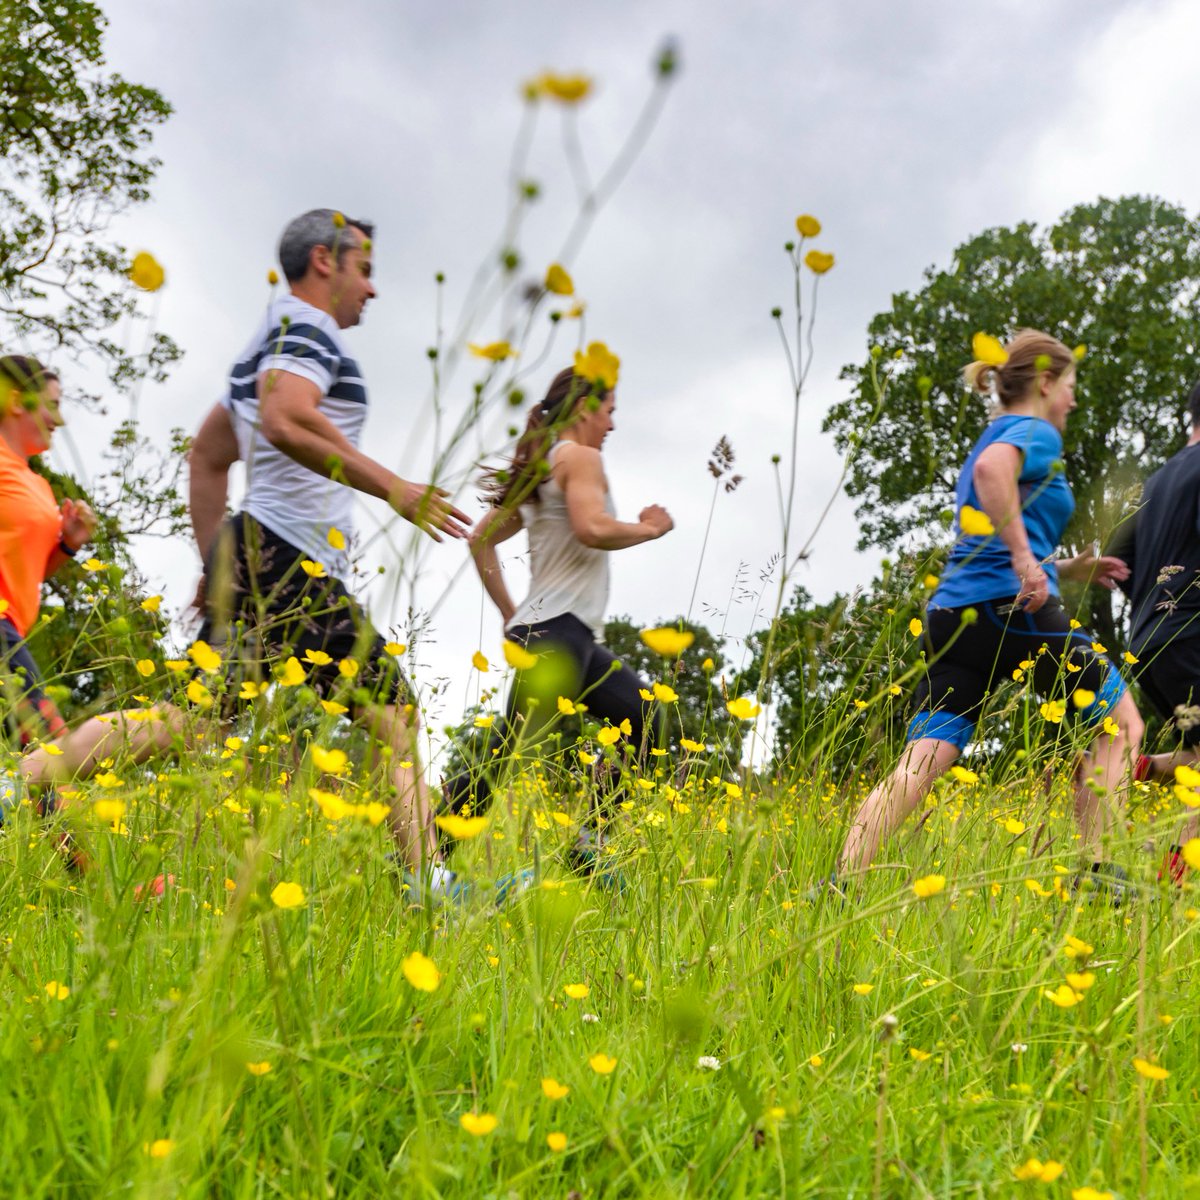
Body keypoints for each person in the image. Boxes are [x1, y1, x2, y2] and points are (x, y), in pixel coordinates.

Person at [187, 208, 470, 891]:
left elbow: (207, 456)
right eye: (364, 270)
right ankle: (430, 888)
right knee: (396, 716)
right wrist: (393, 487)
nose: (371, 289)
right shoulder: (305, 326)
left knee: (195, 724)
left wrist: (217, 563)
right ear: (325, 261)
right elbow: (285, 418)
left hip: (254, 548)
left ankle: (28, 780)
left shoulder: (265, 339)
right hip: (292, 553)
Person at [832, 330, 1144, 897]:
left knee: (923, 758)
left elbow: (994, 508)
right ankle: (1100, 874)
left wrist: (1065, 569)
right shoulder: (1033, 431)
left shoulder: (995, 433)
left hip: (957, 615)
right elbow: (992, 477)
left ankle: (841, 882)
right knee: (1120, 723)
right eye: (1070, 386)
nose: (1073, 400)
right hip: (1011, 609)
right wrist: (1028, 563)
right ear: (1046, 383)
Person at [442, 364, 674, 872]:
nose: (611, 425)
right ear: (587, 408)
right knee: (512, 747)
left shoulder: (546, 464)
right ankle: (422, 859)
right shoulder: (580, 458)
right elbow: (591, 527)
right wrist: (648, 528)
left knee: (644, 720)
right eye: (610, 412)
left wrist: (511, 613)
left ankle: (585, 847)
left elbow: (481, 540)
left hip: (567, 634)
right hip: (558, 631)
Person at [0, 355, 186, 835]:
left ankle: (92, 888)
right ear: (18, 399)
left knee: (42, 762)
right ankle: (104, 887)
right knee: (53, 754)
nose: (60, 419)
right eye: (54, 405)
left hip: (12, 628)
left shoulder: (36, 483)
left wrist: (67, 542)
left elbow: (23, 570)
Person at [1106, 376, 1200, 880]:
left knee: (1197, 750)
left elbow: (1117, 563)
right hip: (1188, 633)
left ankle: (1143, 768)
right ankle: (1176, 881)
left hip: (1146, 638)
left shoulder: (1158, 479)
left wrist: (1154, 604)